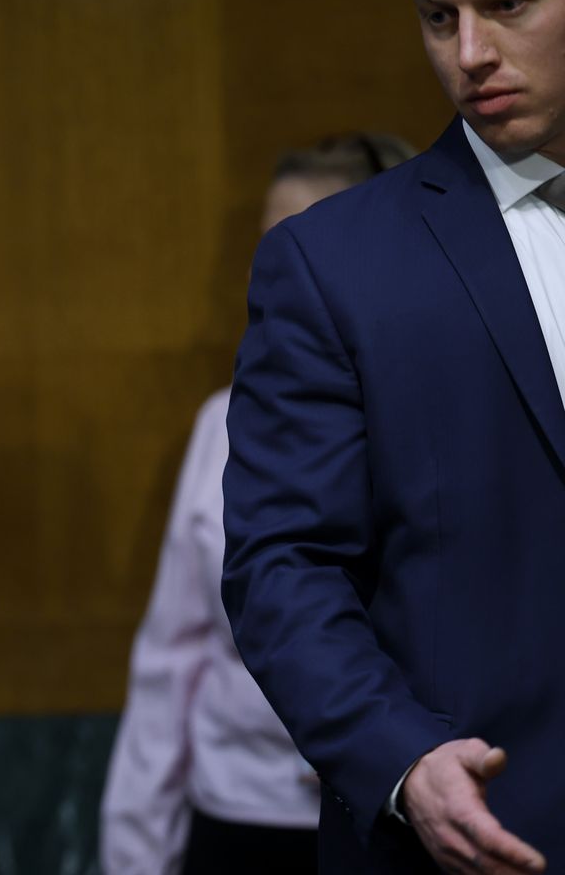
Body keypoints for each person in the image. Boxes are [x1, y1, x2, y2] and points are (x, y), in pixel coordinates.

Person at [223, 0, 565, 875]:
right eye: (438, 16)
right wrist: (400, 758)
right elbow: (283, 566)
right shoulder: (333, 265)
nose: (469, 53)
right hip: (477, 835)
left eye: (508, 6)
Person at [101, 133, 414, 875]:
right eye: (265, 247)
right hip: (243, 815)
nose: (275, 274)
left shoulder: (444, 408)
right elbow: (170, 659)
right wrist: (136, 851)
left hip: (403, 808)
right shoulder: (223, 422)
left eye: (300, 245)